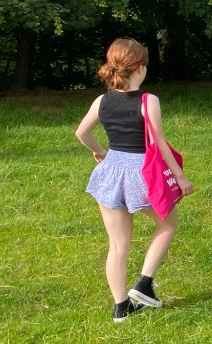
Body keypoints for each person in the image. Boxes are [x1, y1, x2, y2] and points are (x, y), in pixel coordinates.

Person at [76, 38, 194, 322]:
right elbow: (159, 143)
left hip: (110, 171)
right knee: (168, 223)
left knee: (118, 245)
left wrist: (100, 151)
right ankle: (144, 284)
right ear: (140, 68)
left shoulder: (102, 100)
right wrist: (180, 177)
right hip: (140, 174)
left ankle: (121, 308)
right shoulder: (148, 100)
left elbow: (82, 133)